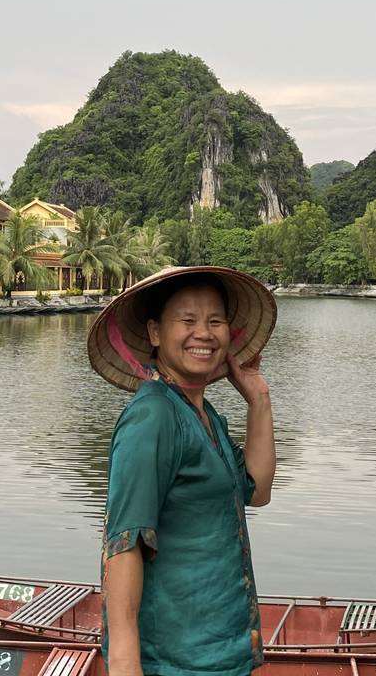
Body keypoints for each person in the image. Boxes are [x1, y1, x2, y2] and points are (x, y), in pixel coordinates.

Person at [87, 266, 278, 676]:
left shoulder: (203, 414)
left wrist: (258, 398)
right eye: (187, 321)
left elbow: (257, 490)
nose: (204, 333)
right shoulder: (153, 417)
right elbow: (124, 544)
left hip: (221, 653)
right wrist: (124, 665)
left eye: (215, 321)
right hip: (175, 661)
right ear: (155, 333)